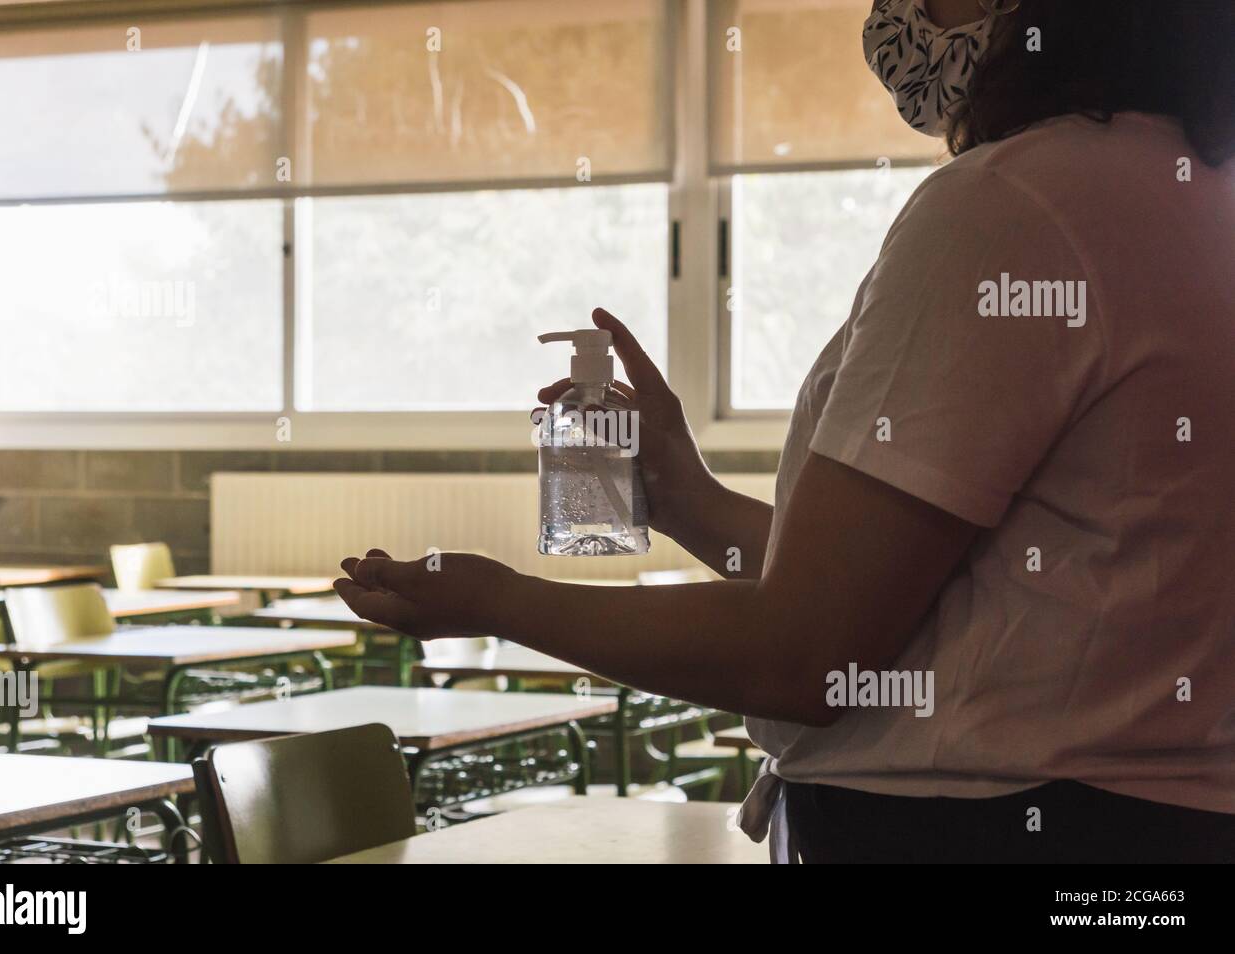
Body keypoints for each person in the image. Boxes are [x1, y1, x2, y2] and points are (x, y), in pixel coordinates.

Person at [336, 0, 1235, 863]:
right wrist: (685, 500)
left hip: (985, 829)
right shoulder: (1187, 192)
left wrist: (491, 601)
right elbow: (894, 590)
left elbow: (801, 655)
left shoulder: (1013, 207)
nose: (896, 16)